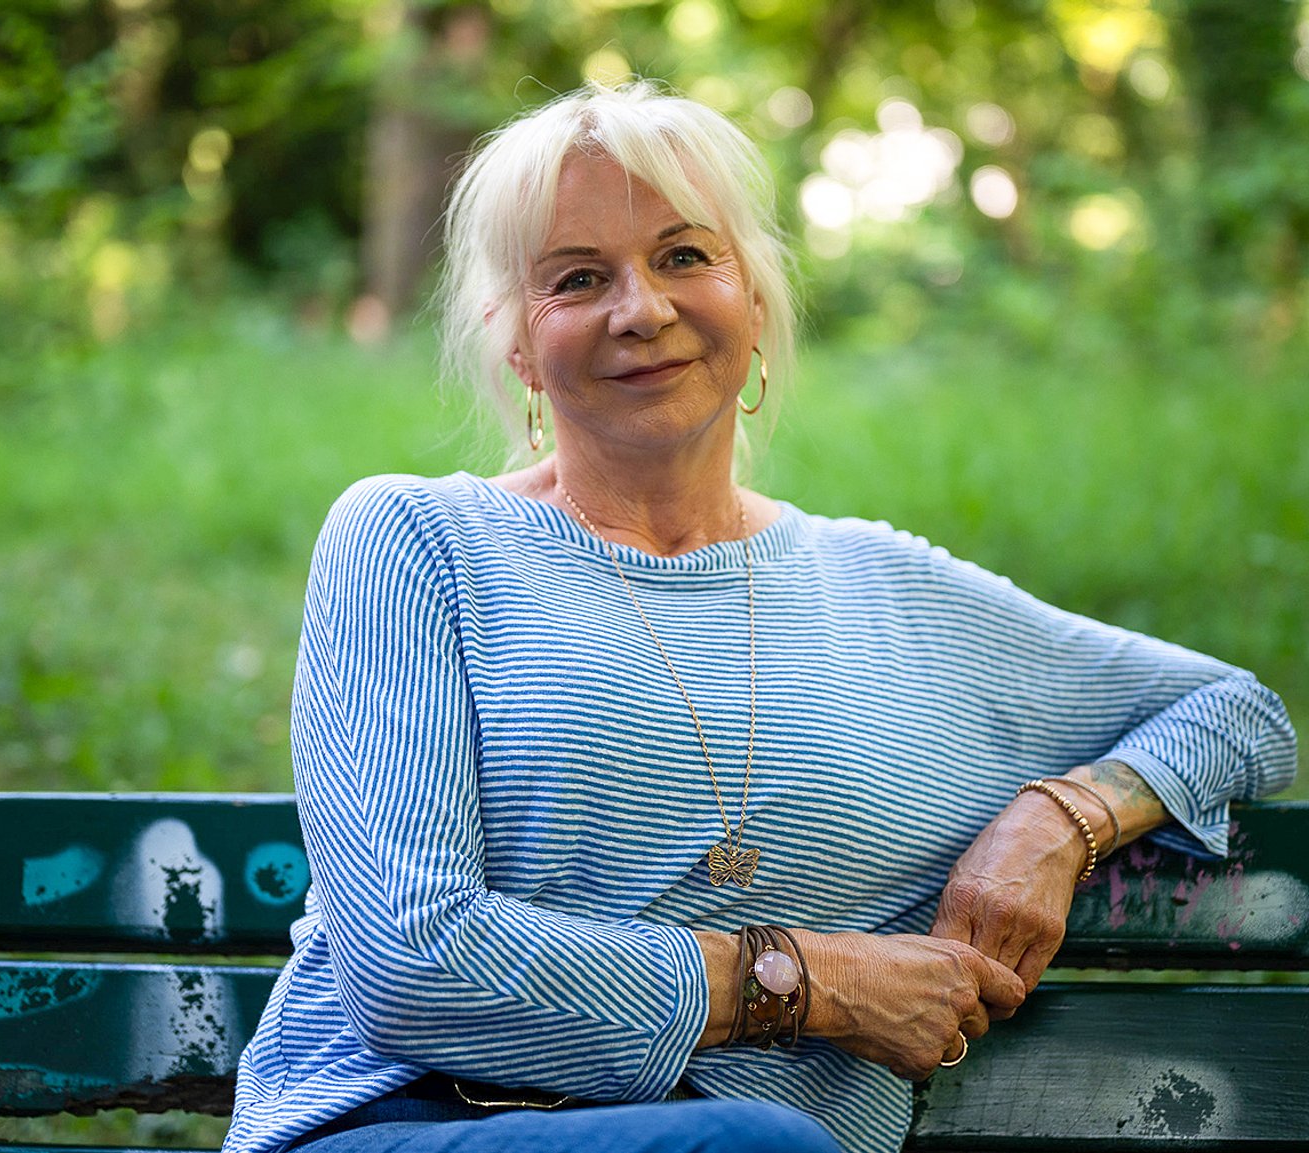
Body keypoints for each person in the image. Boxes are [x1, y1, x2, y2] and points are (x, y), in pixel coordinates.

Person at [222, 81, 1297, 1153]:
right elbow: (413, 966)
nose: (639, 309)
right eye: (576, 278)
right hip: (409, 1121)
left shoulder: (887, 591)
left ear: (755, 303)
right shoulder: (416, 543)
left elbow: (1234, 712)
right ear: (514, 343)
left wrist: (1057, 820)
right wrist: (803, 981)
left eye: (684, 257)